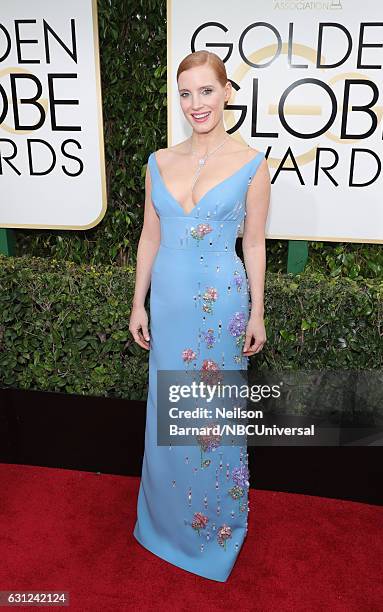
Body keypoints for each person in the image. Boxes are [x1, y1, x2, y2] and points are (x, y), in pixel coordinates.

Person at [129, 50, 270, 582]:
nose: (195, 104)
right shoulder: (158, 162)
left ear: (227, 91)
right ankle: (163, 526)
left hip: (221, 307)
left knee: (213, 421)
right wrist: (137, 300)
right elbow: (149, 235)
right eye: (185, 94)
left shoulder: (253, 163)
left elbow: (253, 243)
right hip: (167, 303)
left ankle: (214, 534)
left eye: (205, 91)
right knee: (166, 412)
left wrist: (258, 310)